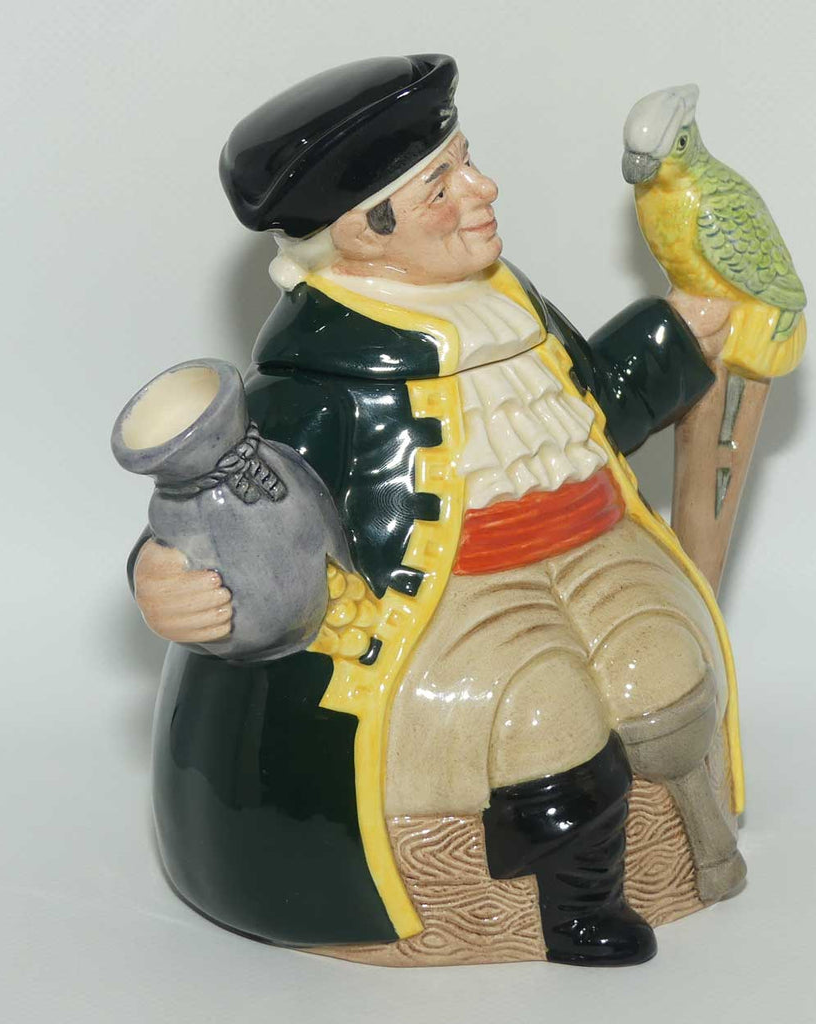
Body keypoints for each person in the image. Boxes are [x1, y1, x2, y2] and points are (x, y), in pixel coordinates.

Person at [128, 54, 746, 967]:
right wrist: (163, 573)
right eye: (442, 187)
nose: (481, 189)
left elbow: (592, 411)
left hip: (593, 542)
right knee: (545, 709)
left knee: (660, 664)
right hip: (452, 591)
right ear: (363, 231)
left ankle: (698, 838)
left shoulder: (507, 299)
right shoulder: (318, 379)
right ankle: (575, 906)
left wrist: (671, 338)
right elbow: (234, 499)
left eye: (466, 162)